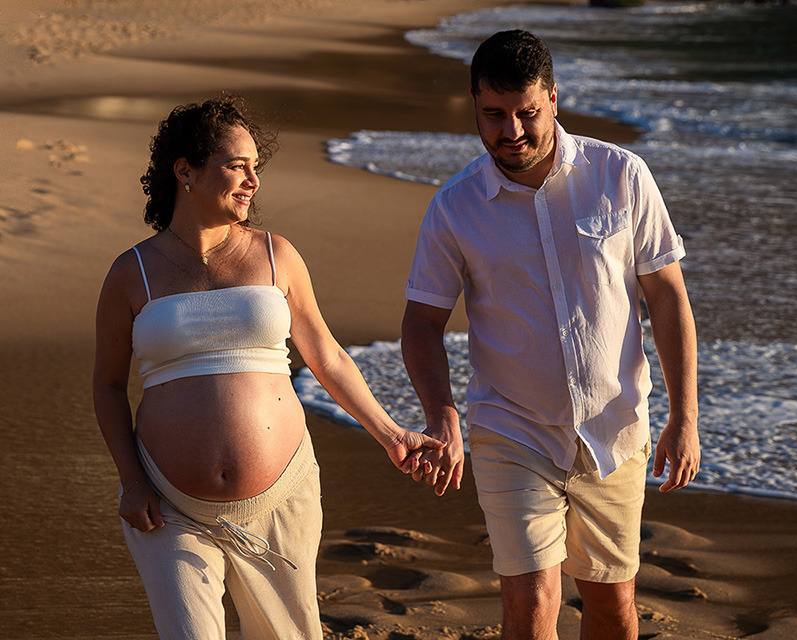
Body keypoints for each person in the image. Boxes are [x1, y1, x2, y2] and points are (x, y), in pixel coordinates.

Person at [92, 96, 442, 639]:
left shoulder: (277, 255)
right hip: (167, 505)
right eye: (238, 165)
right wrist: (132, 482)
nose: (253, 181)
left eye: (256, 166)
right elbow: (109, 386)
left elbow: (325, 354)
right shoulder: (131, 272)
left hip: (281, 500)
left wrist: (393, 434)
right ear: (185, 171)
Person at [401, 30, 699, 640]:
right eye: (494, 115)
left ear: (554, 99)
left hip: (614, 427)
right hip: (512, 427)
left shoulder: (621, 175)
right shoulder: (456, 207)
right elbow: (421, 322)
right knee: (533, 601)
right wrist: (442, 414)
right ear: (474, 106)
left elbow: (667, 296)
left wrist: (684, 416)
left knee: (612, 604)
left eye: (527, 113)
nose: (511, 131)